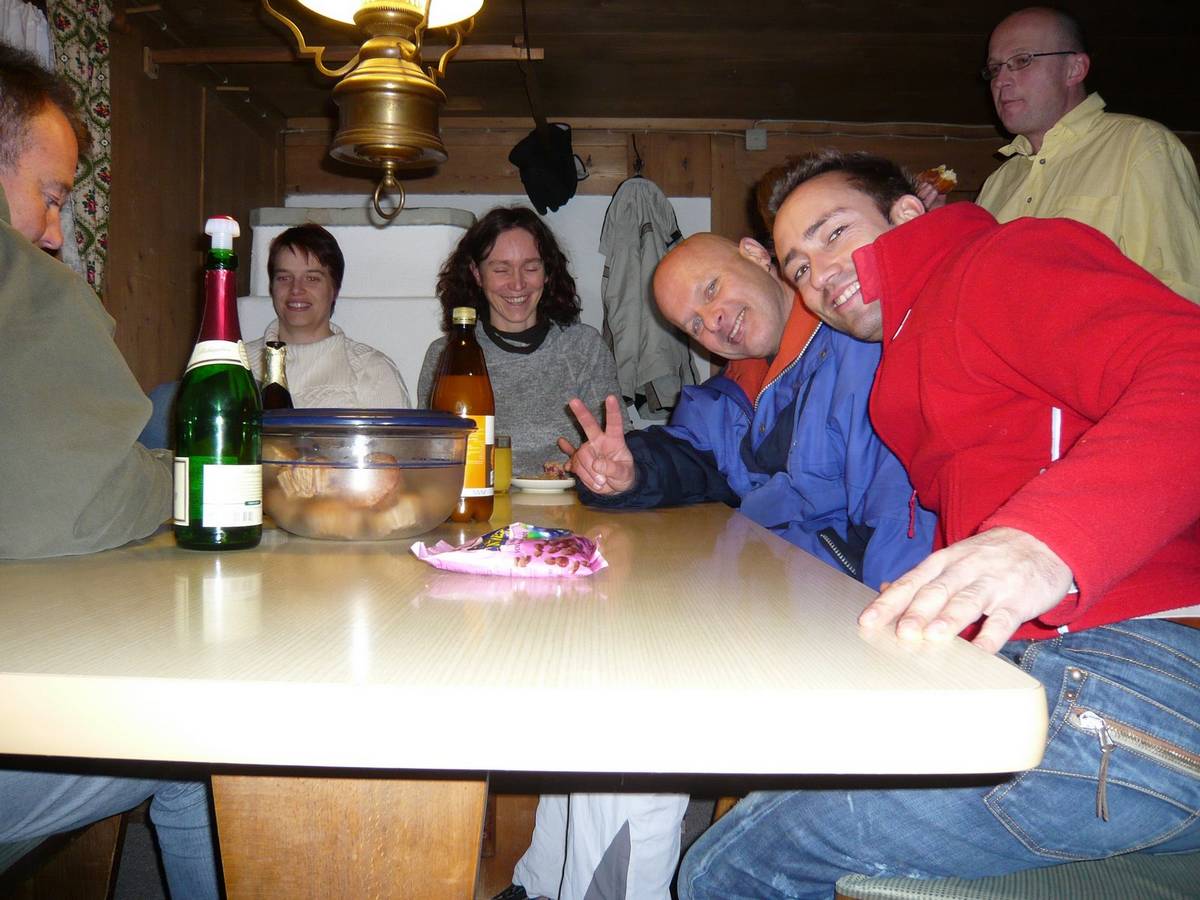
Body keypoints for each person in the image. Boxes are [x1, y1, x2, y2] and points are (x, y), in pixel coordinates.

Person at [677, 149, 1200, 899]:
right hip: (1028, 673)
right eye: (799, 268)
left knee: (724, 871)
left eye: (833, 234)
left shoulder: (1001, 261)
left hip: (1137, 672)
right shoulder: (907, 360)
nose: (819, 275)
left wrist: (1046, 543)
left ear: (908, 215)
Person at [497, 234, 936, 900]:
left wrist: (898, 653)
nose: (714, 324)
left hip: (853, 632)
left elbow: (906, 513)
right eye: (694, 324)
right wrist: (628, 471)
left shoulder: (860, 349)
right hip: (767, 607)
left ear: (757, 256)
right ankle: (540, 886)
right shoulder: (730, 392)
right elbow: (686, 458)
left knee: (631, 719)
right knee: (592, 666)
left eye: (712, 291)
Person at [0, 43, 219, 898]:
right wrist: (191, 477)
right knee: (205, 742)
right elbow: (81, 504)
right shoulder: (26, 283)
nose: (57, 233)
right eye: (51, 196)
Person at [951, 6, 1200, 302]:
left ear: (1075, 69)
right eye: (994, 68)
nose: (1000, 80)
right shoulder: (998, 183)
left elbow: (1181, 291)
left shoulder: (1140, 147)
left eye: (1021, 61)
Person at [417, 205, 629, 476]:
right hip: (478, 498)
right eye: (501, 270)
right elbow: (430, 454)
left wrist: (592, 466)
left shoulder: (584, 347)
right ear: (477, 274)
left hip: (570, 499)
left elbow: (619, 447)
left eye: (530, 268)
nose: (517, 284)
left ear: (547, 272)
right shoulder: (448, 355)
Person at [246, 222, 411, 407]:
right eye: (284, 278)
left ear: (334, 289)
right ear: (272, 287)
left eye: (312, 278)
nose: (296, 289)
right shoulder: (238, 365)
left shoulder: (373, 372)